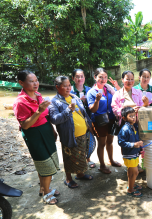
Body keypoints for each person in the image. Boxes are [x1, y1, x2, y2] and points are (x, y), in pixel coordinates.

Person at [13, 70, 60, 205]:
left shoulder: (38, 95)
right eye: (31, 81)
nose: (35, 83)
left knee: (49, 159)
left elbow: (45, 116)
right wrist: (38, 111)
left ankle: (44, 188)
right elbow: (25, 125)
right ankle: (46, 194)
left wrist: (52, 129)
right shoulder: (20, 102)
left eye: (36, 80)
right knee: (45, 163)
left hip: (45, 130)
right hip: (33, 134)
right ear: (21, 83)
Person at [49, 76, 94, 188]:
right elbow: (55, 119)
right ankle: (68, 179)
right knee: (69, 157)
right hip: (69, 136)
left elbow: (83, 113)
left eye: (69, 85)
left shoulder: (73, 96)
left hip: (82, 134)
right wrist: (68, 110)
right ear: (57, 87)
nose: (68, 87)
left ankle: (80, 174)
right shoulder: (54, 102)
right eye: (65, 86)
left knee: (81, 155)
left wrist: (89, 124)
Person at [86, 68, 121, 174]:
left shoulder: (109, 89)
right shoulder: (91, 92)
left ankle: (111, 160)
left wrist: (116, 86)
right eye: (100, 77)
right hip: (99, 121)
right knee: (101, 143)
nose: (103, 79)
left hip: (110, 119)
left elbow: (119, 97)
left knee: (110, 142)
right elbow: (92, 109)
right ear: (95, 77)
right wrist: (97, 100)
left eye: (105, 77)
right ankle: (102, 165)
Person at [70, 69, 95, 168]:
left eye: (82, 76)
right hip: (76, 120)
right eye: (77, 76)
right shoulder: (70, 90)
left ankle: (88, 158)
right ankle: (80, 160)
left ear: (84, 78)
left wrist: (86, 102)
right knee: (79, 140)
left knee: (88, 139)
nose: (79, 78)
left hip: (88, 118)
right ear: (73, 78)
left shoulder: (89, 90)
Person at [118, 107, 143, 197]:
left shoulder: (133, 126)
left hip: (134, 153)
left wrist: (139, 146)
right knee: (135, 172)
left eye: (134, 115)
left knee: (131, 172)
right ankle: (130, 189)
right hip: (129, 154)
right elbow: (121, 142)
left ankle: (131, 184)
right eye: (130, 116)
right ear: (124, 118)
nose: (133, 117)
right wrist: (134, 145)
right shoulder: (125, 129)